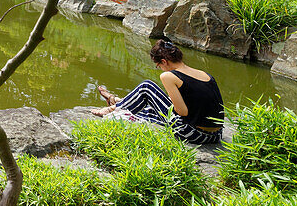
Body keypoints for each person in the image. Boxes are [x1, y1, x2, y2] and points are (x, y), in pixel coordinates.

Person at [92, 39, 224, 145]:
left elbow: (183, 112)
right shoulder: (204, 74)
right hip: (215, 136)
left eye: (159, 66)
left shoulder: (169, 76)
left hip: (193, 134)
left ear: (164, 62)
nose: (161, 69)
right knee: (148, 110)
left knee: (147, 87)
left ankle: (113, 108)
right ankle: (116, 101)